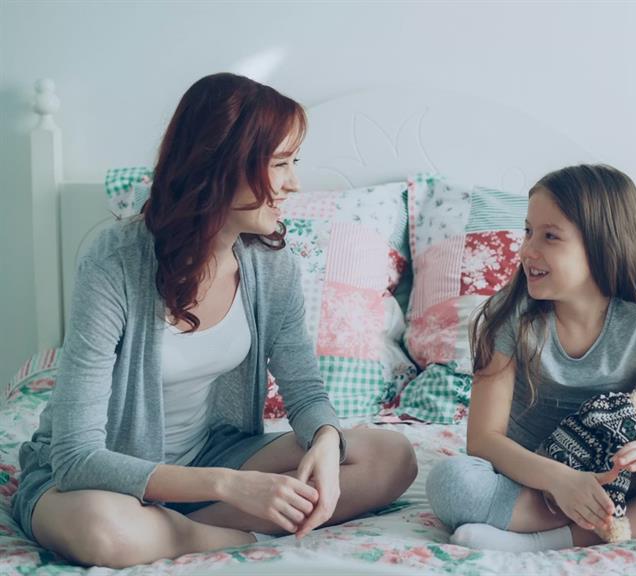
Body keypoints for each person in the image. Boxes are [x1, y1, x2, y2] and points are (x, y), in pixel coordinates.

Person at [12, 73, 417, 568]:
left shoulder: (271, 263)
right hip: (103, 478)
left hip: (211, 453)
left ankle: (173, 531)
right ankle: (230, 534)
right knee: (100, 529)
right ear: (222, 165)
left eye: (294, 163)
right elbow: (77, 457)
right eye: (280, 164)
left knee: (391, 457)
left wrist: (327, 441)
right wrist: (230, 486)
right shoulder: (114, 261)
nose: (293, 183)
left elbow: (306, 392)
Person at [426, 164, 636, 551]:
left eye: (550, 236)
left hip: (625, 485)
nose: (526, 250)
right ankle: (590, 524)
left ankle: (548, 541)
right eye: (528, 231)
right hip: (536, 480)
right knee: (452, 482)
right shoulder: (510, 317)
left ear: (604, 245)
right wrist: (559, 480)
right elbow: (484, 440)